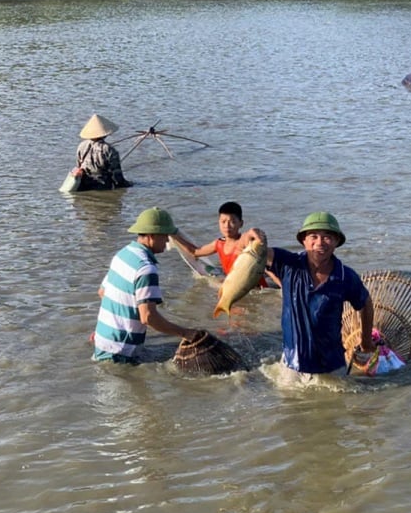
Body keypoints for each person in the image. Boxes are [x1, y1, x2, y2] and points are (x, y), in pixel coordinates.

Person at [247, 212, 375, 376]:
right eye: (313, 236)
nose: (320, 243)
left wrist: (366, 341)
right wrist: (252, 234)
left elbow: (365, 303)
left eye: (327, 237)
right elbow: (252, 248)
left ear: (336, 242)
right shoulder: (288, 264)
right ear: (304, 241)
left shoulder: (345, 276)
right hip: (292, 363)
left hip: (331, 365)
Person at [92, 207, 205, 363]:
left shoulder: (123, 254)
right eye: (165, 236)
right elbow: (148, 317)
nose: (167, 241)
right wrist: (185, 333)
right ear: (152, 236)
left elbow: (102, 292)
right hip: (121, 352)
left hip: (102, 340)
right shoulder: (146, 268)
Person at [171, 201, 278, 287]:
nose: (227, 226)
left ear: (241, 223)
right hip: (235, 286)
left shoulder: (244, 242)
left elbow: (251, 239)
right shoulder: (218, 243)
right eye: (223, 221)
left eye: (232, 221)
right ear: (218, 222)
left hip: (256, 289)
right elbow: (194, 252)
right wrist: (175, 236)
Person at [73, 114, 132, 191]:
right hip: (102, 186)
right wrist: (129, 185)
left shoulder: (81, 146)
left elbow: (79, 166)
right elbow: (117, 177)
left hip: (84, 185)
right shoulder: (109, 150)